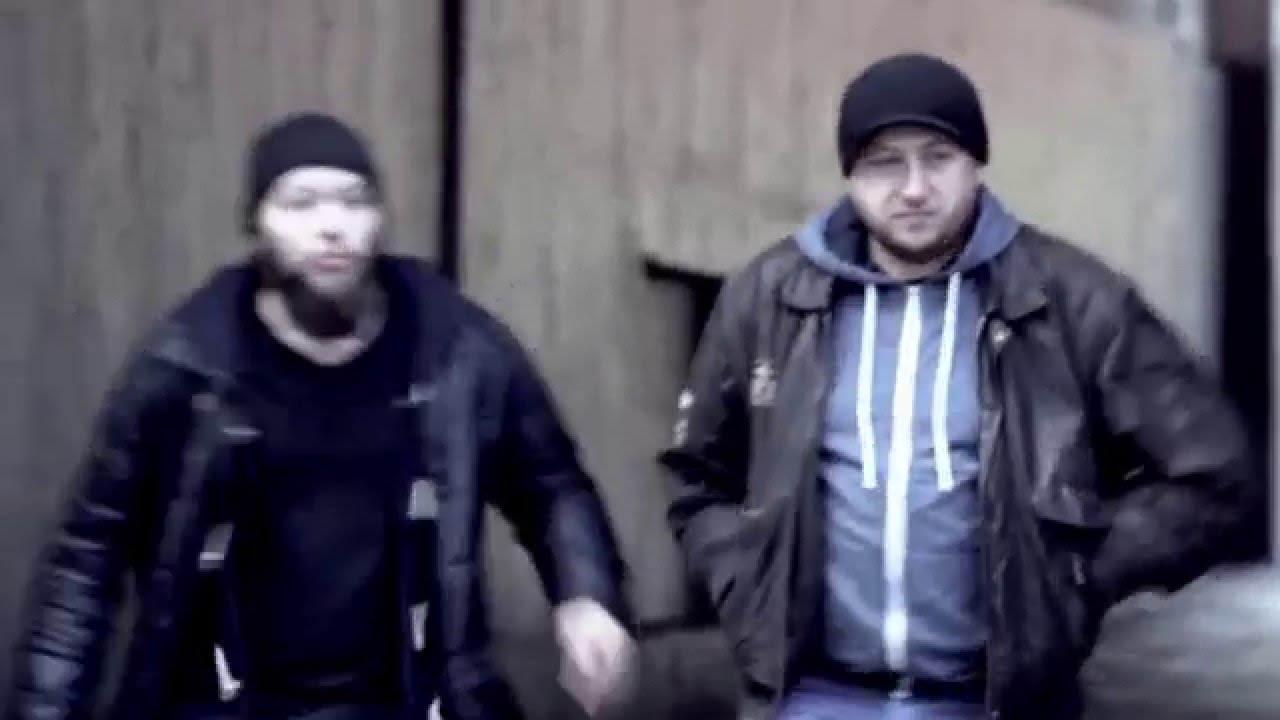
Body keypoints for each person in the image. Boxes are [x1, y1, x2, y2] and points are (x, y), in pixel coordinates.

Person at [659, 53, 1254, 720]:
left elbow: (1213, 475)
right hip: (811, 699)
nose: (914, 188)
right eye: (885, 162)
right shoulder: (768, 297)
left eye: (938, 158)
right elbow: (697, 473)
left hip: (996, 704)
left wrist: (1075, 571)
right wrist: (746, 580)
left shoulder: (1073, 300)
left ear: (976, 165)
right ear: (850, 174)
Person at [8, 113, 633, 720]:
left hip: (412, 699)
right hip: (225, 702)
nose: (333, 226)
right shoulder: (189, 366)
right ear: (255, 224)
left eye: (354, 201)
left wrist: (587, 597)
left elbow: (550, 484)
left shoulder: (454, 352)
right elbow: (84, 561)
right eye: (300, 203)